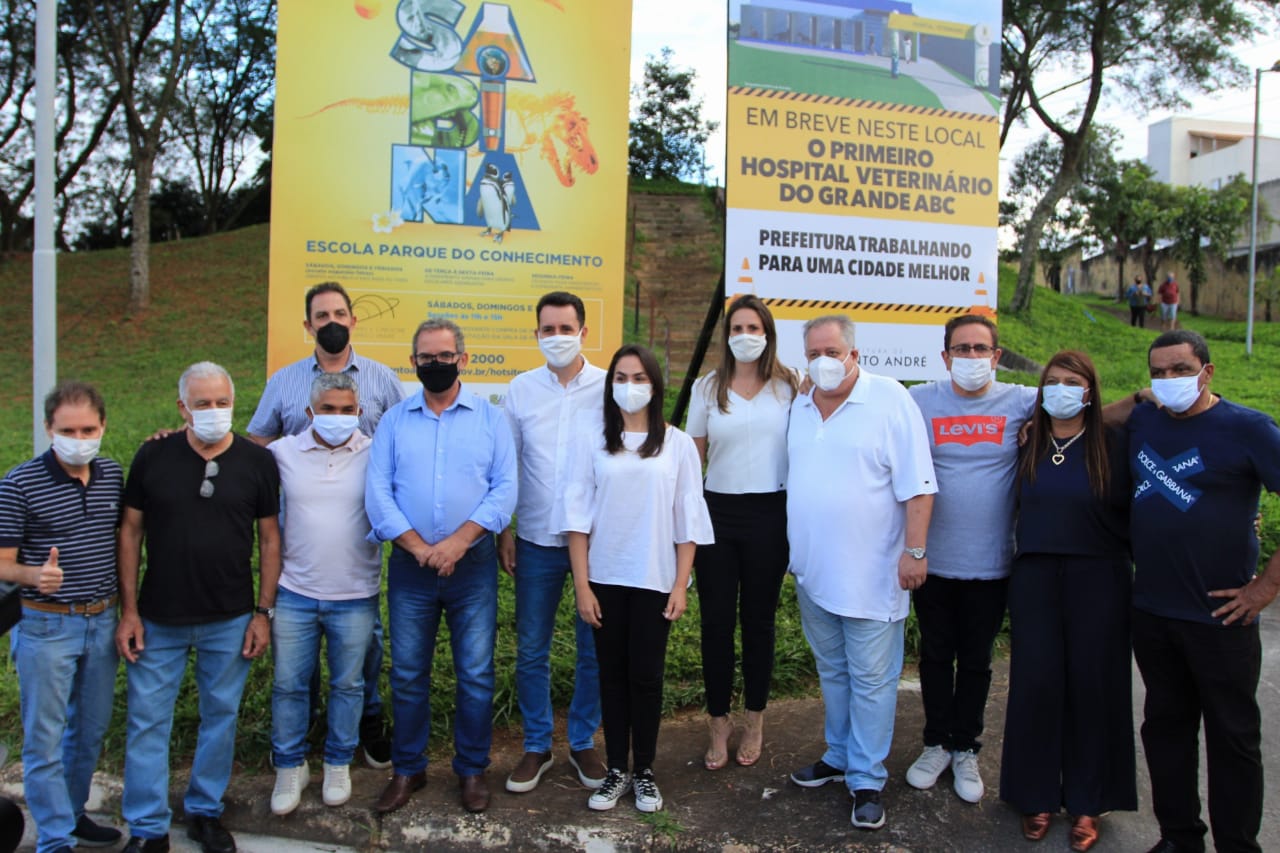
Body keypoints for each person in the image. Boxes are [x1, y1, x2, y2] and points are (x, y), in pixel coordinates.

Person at [116, 362, 281, 853]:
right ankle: (147, 829)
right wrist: (128, 611)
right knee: (147, 721)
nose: (213, 412)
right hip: (157, 618)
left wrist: (262, 612)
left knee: (220, 717)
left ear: (235, 403)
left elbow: (270, 539)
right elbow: (130, 531)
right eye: (202, 403)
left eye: (222, 402)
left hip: (229, 618)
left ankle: (205, 811)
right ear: (182, 408)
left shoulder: (257, 463)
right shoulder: (153, 455)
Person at [1127, 330, 1280, 853]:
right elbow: (1091, 420)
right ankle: (1179, 838)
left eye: (1179, 369)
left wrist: (1264, 588)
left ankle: (1238, 845)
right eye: (1159, 372)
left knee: (1232, 738)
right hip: (1151, 611)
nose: (1168, 380)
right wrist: (1136, 397)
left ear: (1207, 372)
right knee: (1165, 731)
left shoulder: (1248, 429)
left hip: (1222, 618)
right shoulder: (1143, 420)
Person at [786, 315, 936, 831]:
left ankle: (867, 777)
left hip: (874, 575)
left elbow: (919, 484)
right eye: (813, 354)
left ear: (853, 352)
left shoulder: (891, 399)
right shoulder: (800, 405)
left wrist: (915, 551)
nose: (823, 362)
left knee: (873, 680)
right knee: (833, 671)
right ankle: (839, 755)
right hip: (814, 575)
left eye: (832, 351)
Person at [248, 280, 404, 769]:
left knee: (367, 643)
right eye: (322, 316)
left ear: (354, 319)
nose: (332, 322)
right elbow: (255, 446)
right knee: (298, 661)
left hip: (359, 545)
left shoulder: (382, 380)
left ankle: (368, 719)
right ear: (307, 325)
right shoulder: (284, 381)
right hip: (300, 540)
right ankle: (310, 725)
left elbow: (405, 442)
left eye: (340, 313)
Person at [364, 318, 516, 815]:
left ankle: (471, 771)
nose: (435, 364)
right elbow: (378, 492)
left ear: (463, 359)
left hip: (470, 566)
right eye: (425, 357)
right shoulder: (393, 421)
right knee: (408, 674)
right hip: (411, 569)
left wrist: (457, 542)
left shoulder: (491, 420)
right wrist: (417, 546)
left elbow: (504, 490)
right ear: (413, 363)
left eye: (444, 356)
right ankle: (408, 770)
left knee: (474, 673)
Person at [561, 344, 713, 813]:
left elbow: (688, 520)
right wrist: (582, 585)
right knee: (611, 677)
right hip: (604, 580)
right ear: (611, 386)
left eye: (640, 378)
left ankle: (644, 771)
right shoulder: (591, 440)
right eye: (622, 378)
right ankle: (614, 771)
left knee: (646, 678)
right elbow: (577, 519)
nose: (631, 387)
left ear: (656, 385)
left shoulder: (678, 444)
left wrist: (680, 585)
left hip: (654, 580)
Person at [1000, 351, 1136, 852]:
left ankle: (1086, 801)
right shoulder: (1029, 442)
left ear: (1090, 390)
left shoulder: (1114, 444)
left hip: (1099, 576)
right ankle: (1034, 795)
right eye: (1052, 382)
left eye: (1071, 382)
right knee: (1036, 685)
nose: (1060, 389)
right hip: (1035, 575)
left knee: (1093, 687)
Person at [904, 314, 1037, 804]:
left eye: (981, 349)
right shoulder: (919, 399)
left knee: (977, 661)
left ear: (997, 357)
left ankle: (966, 747)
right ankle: (937, 741)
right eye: (962, 349)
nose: (972, 358)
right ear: (945, 357)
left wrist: (1144, 401)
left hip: (992, 565)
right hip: (933, 562)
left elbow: (1082, 405)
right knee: (936, 656)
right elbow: (869, 404)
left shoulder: (1021, 401)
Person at [0, 382, 124, 853]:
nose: (79, 437)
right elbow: (1, 561)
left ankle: (72, 815)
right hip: (46, 624)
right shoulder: (19, 484)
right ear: (49, 428)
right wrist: (35, 574)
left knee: (89, 731)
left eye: (88, 428)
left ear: (102, 427)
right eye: (68, 429)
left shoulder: (111, 474)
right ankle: (54, 840)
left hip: (102, 619)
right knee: (45, 739)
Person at [499, 292, 608, 795]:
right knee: (531, 649)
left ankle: (583, 740)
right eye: (548, 329)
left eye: (567, 328)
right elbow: (505, 469)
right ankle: (537, 744)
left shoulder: (610, 387)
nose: (557, 337)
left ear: (584, 332)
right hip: (536, 537)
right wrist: (504, 530)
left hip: (596, 539)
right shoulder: (520, 391)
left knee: (594, 648)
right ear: (536, 334)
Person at [685, 294, 797, 770]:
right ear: (726, 336)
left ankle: (754, 717)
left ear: (768, 334)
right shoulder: (708, 388)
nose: (745, 336)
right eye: (737, 328)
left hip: (771, 514)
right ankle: (718, 721)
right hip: (718, 515)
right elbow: (693, 461)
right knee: (715, 624)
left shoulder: (790, 386)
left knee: (759, 622)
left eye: (754, 327)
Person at [267, 374, 381, 815]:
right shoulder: (282, 454)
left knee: (348, 684)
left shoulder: (375, 453)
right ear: (311, 412)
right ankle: (290, 765)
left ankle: (337, 761)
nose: (338, 418)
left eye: (346, 410)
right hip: (295, 590)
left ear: (359, 412)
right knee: (289, 685)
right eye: (328, 410)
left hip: (355, 593)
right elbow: (231, 458)